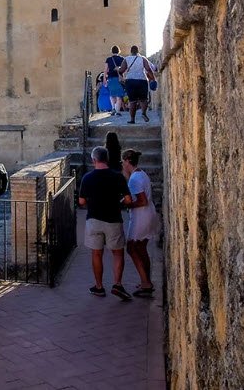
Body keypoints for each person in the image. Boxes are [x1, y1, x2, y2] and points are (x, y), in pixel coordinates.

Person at [78, 146, 133, 300]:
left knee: (96, 253)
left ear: (94, 160)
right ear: (107, 159)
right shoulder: (117, 177)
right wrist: (119, 202)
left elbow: (81, 201)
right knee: (118, 253)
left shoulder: (87, 178)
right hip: (113, 220)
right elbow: (128, 199)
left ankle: (99, 286)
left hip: (93, 220)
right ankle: (117, 284)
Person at [122, 149, 159, 297]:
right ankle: (146, 280)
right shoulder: (141, 174)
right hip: (148, 214)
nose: (122, 165)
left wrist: (128, 204)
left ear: (127, 161)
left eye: (123, 162)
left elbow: (142, 201)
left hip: (140, 217)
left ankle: (146, 283)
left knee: (131, 248)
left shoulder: (134, 179)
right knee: (142, 249)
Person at [119, 45, 154, 123]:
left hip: (130, 81)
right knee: (144, 99)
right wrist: (153, 79)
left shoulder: (126, 59)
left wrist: (119, 71)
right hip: (142, 80)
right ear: (138, 51)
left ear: (131, 51)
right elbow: (148, 69)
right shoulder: (143, 59)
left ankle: (132, 119)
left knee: (132, 101)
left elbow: (121, 70)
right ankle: (143, 113)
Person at [105, 45, 126, 116]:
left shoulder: (108, 59)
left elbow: (105, 70)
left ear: (112, 51)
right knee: (119, 96)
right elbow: (124, 69)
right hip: (119, 78)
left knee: (112, 94)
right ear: (118, 51)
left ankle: (113, 108)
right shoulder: (122, 59)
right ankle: (118, 111)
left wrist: (104, 79)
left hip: (110, 78)